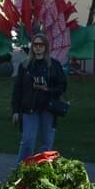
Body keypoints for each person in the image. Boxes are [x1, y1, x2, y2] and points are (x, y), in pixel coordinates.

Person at [12, 32, 67, 162]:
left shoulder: (54, 65)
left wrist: (47, 89)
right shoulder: (25, 66)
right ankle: (21, 171)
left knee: (47, 143)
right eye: (35, 45)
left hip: (48, 108)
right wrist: (15, 110)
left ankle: (42, 172)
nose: (38, 48)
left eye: (41, 45)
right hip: (30, 108)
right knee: (27, 141)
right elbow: (17, 90)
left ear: (46, 47)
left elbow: (62, 86)